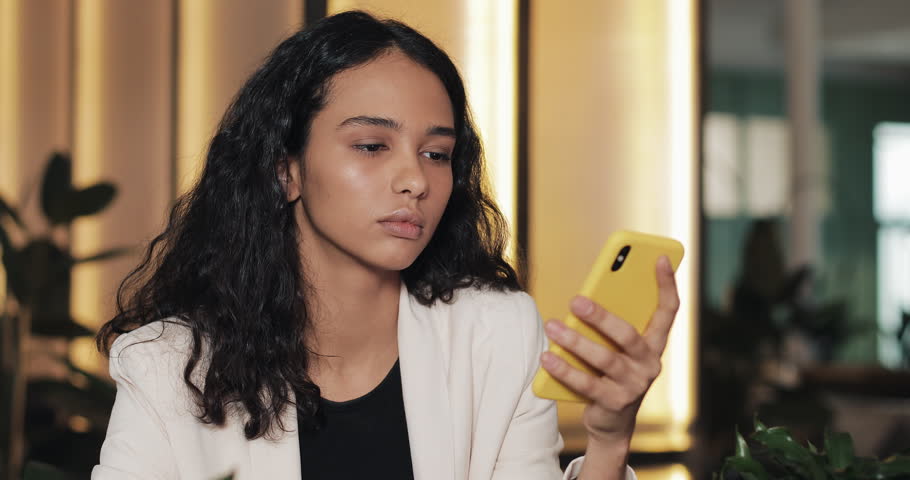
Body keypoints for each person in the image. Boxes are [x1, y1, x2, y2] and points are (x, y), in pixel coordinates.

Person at [92, 10, 679, 480]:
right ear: (285, 170)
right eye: (372, 146)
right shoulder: (169, 364)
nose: (416, 181)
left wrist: (607, 442)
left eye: (436, 153)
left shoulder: (495, 335)